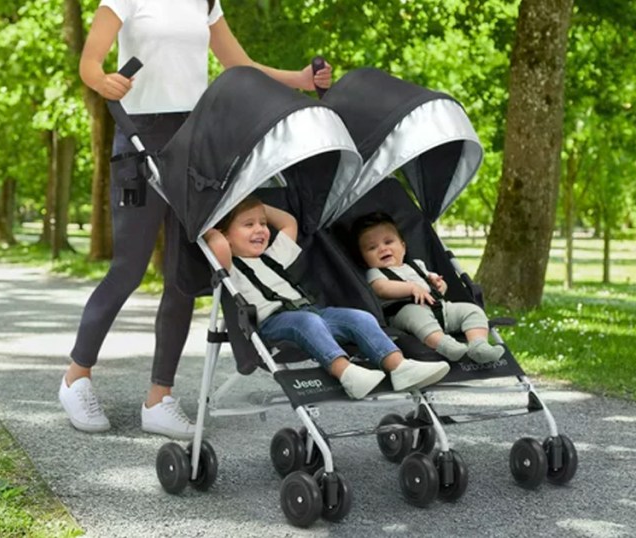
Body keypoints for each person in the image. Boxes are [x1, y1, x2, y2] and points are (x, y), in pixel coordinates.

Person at [60, 0, 334, 438]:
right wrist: (102, 80)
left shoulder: (205, 1)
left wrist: (299, 81)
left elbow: (239, 66)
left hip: (196, 143)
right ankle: (76, 377)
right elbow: (90, 62)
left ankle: (159, 398)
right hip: (139, 138)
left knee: (183, 274)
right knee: (128, 270)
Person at [203, 197, 451, 399]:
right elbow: (217, 245)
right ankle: (346, 373)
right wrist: (216, 219)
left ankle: (399, 366)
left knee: (359, 318)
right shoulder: (229, 267)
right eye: (249, 225)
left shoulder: (273, 256)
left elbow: (289, 223)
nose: (260, 229)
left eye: (263, 223)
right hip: (273, 323)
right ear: (225, 235)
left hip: (312, 313)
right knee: (307, 322)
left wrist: (255, 202)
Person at [352, 212, 506, 364]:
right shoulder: (374, 273)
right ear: (364, 259)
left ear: (403, 247)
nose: (382, 249)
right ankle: (446, 346)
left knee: (472, 310)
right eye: (372, 248)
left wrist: (439, 285)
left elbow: (434, 286)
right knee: (416, 315)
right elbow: (382, 288)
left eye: (388, 242)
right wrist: (411, 288)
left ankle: (479, 345)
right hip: (404, 313)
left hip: (439, 308)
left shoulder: (417, 265)